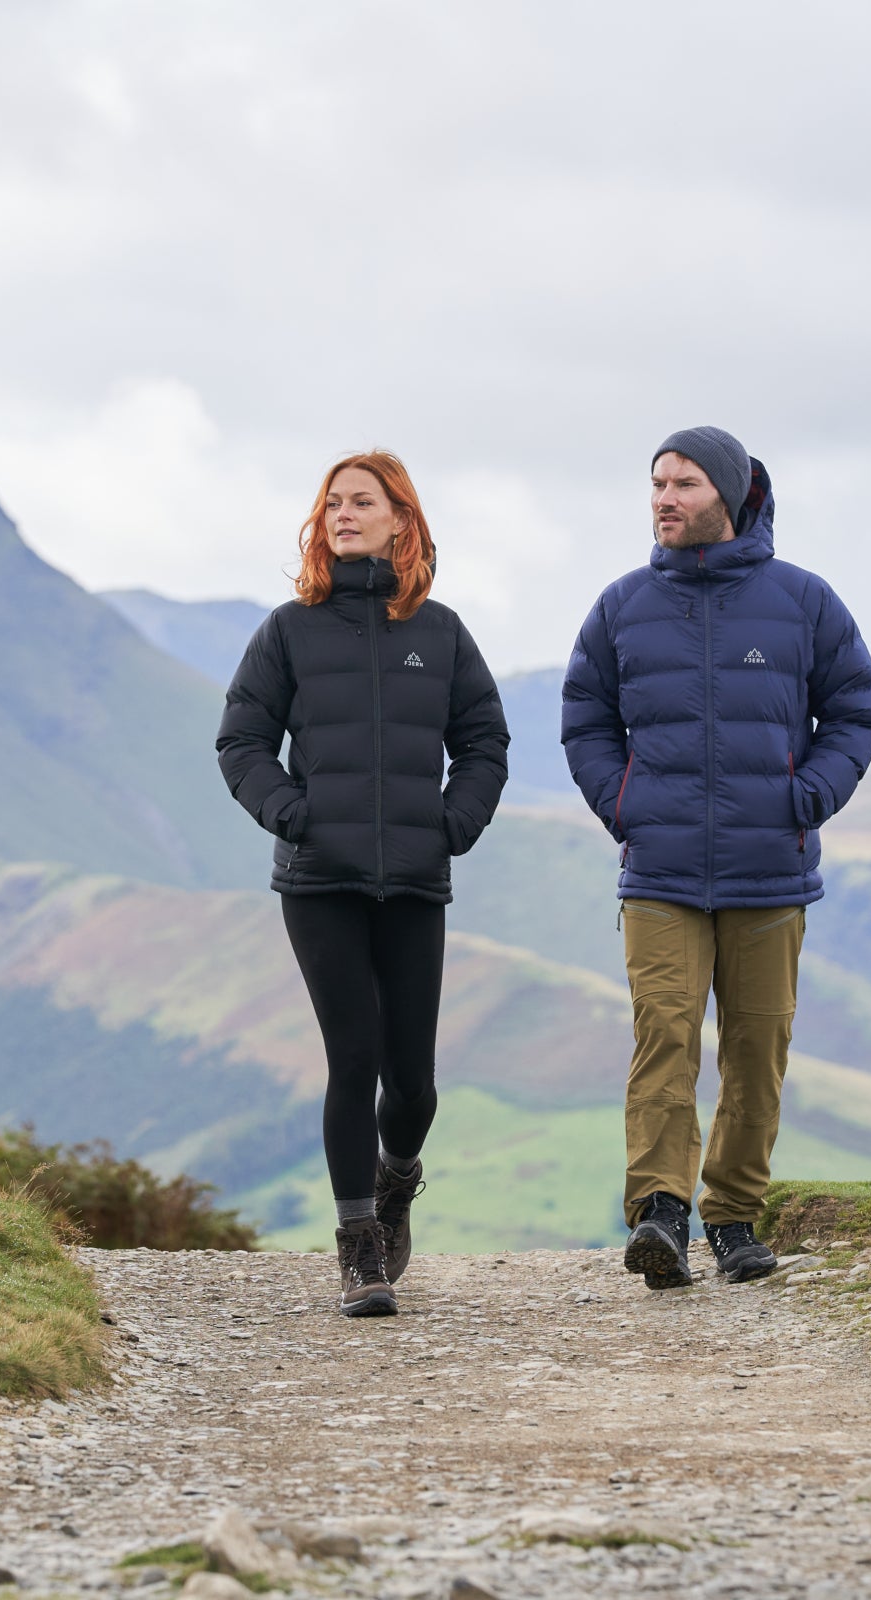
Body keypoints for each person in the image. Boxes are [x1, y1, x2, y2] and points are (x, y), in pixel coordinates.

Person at [560, 426, 871, 1290]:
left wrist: (804, 797)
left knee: (755, 1046)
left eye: (686, 484)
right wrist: (621, 805)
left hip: (769, 868)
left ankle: (734, 1216)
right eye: (658, 484)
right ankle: (661, 1212)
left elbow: (855, 711)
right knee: (663, 1034)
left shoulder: (805, 603)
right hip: (660, 871)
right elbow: (584, 719)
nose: (666, 499)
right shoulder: (622, 606)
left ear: (732, 497)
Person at [217, 451, 509, 1316]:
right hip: (321, 882)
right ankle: (358, 1250)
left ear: (400, 520)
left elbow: (485, 742)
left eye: (362, 502)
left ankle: (398, 1179)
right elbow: (241, 742)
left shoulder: (442, 632)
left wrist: (454, 824)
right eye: (332, 504)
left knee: (411, 1081)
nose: (343, 514)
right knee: (354, 1057)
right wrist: (290, 814)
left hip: (416, 880)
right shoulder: (288, 629)